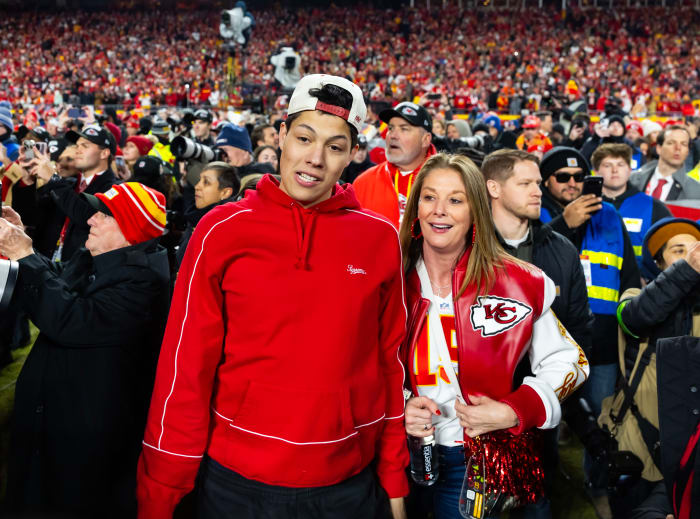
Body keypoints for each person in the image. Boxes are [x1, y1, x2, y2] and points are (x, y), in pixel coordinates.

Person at [137, 74, 409, 519]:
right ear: (281, 135)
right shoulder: (221, 229)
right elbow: (185, 366)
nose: (315, 158)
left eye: (335, 147)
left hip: (347, 482)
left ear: (351, 157)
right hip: (235, 481)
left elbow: (389, 361)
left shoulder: (379, 238)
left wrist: (394, 475)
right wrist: (164, 482)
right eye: (304, 137)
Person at [400, 152, 588, 519]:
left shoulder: (517, 281)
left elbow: (571, 361)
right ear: (416, 205)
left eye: (455, 200)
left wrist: (514, 409)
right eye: (429, 197)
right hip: (396, 453)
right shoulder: (387, 277)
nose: (439, 210)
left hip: (476, 461)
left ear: (476, 211)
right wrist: (399, 404)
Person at [0, 182, 170, 517]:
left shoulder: (144, 284)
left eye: (104, 214)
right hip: (55, 421)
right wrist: (25, 241)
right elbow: (59, 286)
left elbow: (71, 321)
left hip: (80, 436)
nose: (90, 219)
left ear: (130, 231)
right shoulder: (100, 258)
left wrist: (24, 256)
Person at [538, 146, 640, 516]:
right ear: (547, 181)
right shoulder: (538, 213)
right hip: (548, 338)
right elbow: (528, 259)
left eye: (579, 177)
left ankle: (597, 486)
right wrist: (565, 223)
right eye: (562, 178)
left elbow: (628, 275)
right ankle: (541, 486)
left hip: (602, 339)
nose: (572, 184)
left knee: (600, 415)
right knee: (544, 418)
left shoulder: (610, 215)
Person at [613, 217, 700, 518]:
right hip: (641, 443)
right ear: (658, 265)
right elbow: (639, 317)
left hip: (693, 447)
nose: (690, 255)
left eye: (694, 249)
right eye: (678, 251)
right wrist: (688, 270)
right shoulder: (632, 299)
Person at [591, 143, 672, 273]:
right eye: (607, 165)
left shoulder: (654, 208)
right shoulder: (584, 207)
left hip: (639, 288)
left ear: (629, 169)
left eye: (620, 165)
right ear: (595, 171)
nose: (615, 170)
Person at [353, 101, 436, 228]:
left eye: (404, 129)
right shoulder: (363, 182)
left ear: (425, 140)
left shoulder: (447, 182)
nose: (393, 135)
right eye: (391, 128)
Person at [175, 161, 240, 268]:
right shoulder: (196, 218)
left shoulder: (223, 228)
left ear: (225, 193)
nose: (197, 186)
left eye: (206, 182)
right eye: (199, 180)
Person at [631, 125, 700, 201]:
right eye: (671, 143)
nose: (678, 148)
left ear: (687, 152)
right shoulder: (632, 179)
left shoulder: (696, 191)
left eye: (683, 144)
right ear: (659, 148)